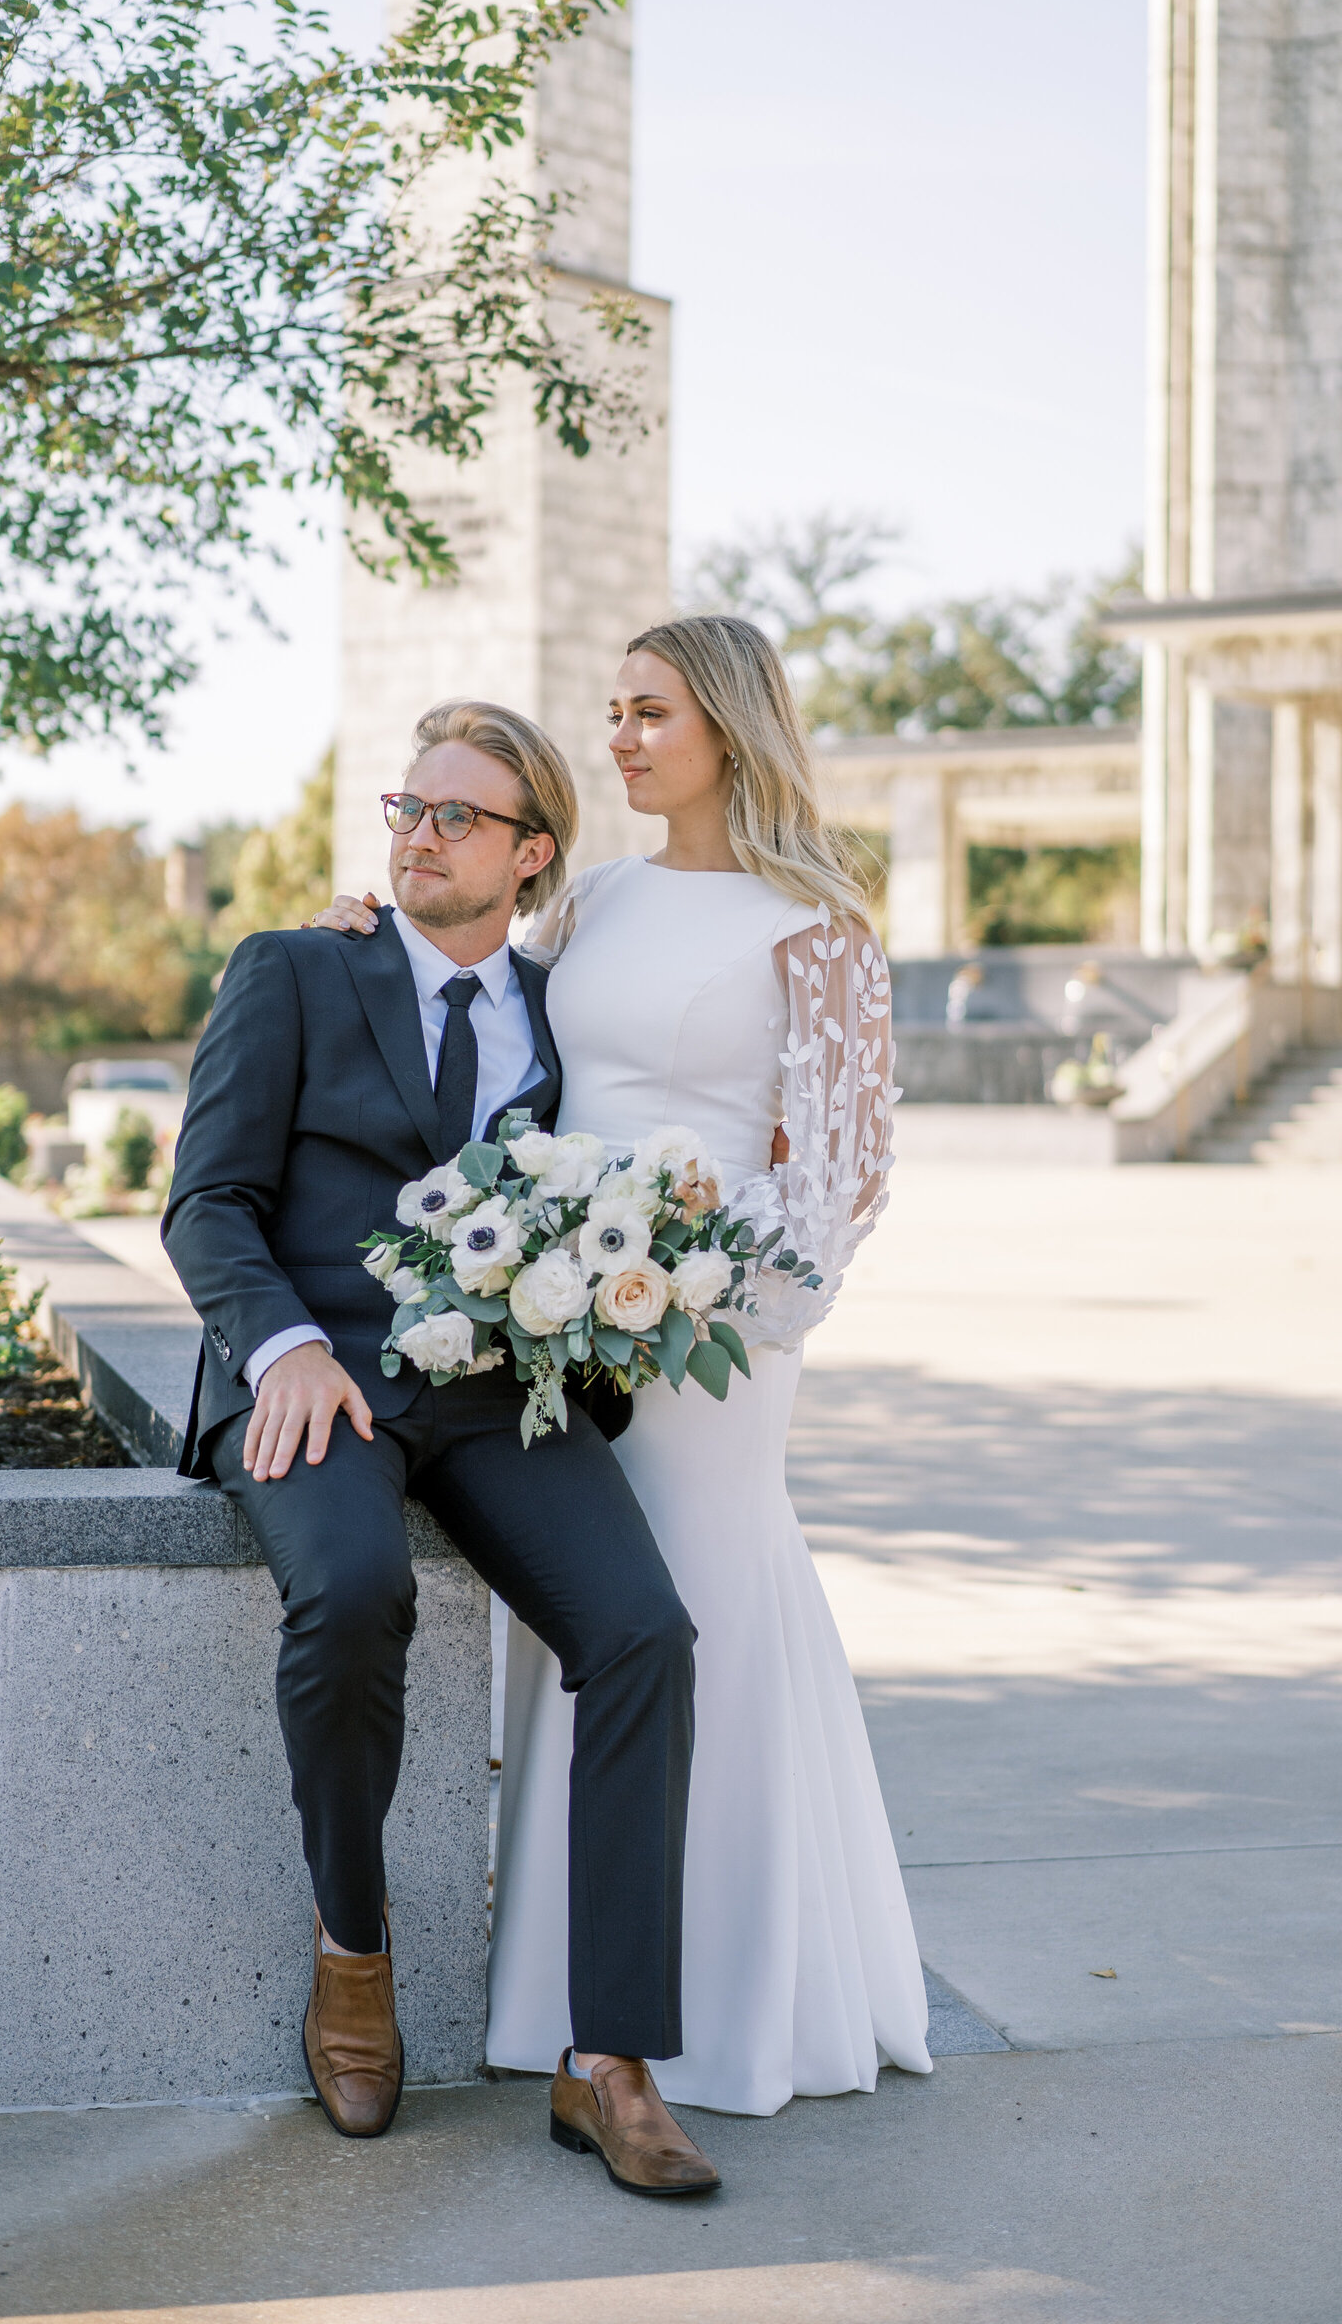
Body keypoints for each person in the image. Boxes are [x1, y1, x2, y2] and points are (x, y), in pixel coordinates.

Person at [313, 618, 933, 2117]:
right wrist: (362, 937)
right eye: (616, 713)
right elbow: (482, 1019)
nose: (626, 739)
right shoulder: (589, 903)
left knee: (704, 1606)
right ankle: (574, 2008)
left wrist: (710, 1304)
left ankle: (736, 2005)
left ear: (728, 722)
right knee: (594, 1635)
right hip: (553, 1328)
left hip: (717, 1332)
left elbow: (839, 1179)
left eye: (652, 712)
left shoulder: (819, 925)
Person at [162, 702, 719, 2194]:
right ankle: (356, 1950)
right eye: (407, 808)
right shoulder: (293, 967)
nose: (416, 835)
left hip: (489, 1387)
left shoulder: (561, 1013)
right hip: (314, 1376)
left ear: (531, 855)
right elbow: (205, 1201)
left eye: (456, 818)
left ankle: (609, 2058)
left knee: (646, 1633)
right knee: (352, 1597)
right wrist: (275, 1346)